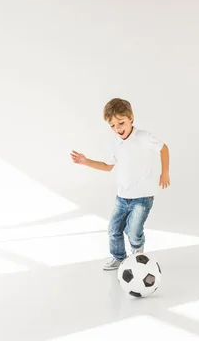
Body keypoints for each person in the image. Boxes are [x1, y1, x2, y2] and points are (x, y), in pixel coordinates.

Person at [71, 98, 170, 271]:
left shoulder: (144, 137)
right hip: (122, 197)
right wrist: (86, 161)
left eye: (121, 123)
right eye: (112, 126)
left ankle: (137, 253)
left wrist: (165, 172)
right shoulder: (114, 144)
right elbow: (108, 166)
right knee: (114, 229)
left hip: (142, 197)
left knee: (133, 230)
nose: (118, 129)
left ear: (131, 117)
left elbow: (163, 149)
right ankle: (118, 257)